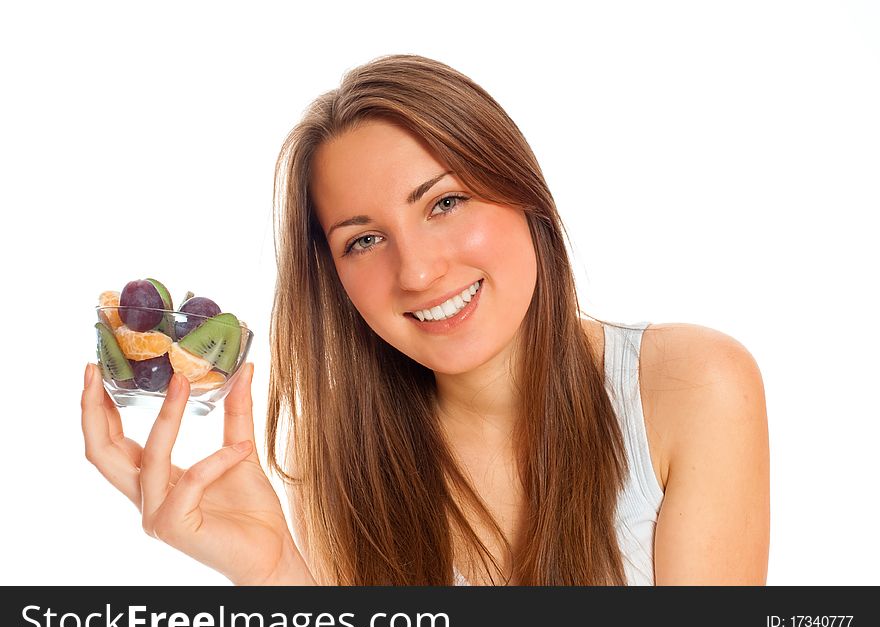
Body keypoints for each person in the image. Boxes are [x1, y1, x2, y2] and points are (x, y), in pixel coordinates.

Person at [81, 54, 770, 586]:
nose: (415, 272)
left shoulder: (692, 387)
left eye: (443, 204)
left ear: (520, 189)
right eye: (364, 240)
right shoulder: (352, 479)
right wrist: (275, 578)